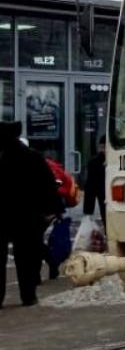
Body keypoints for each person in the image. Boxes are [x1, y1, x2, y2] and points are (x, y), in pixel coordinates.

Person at [0, 122, 62, 307]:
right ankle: (28, 295)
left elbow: (48, 185)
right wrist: (51, 209)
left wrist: (51, 208)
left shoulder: (7, 157)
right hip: (28, 217)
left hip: (7, 216)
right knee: (27, 257)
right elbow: (49, 185)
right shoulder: (33, 157)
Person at [83, 134, 108, 223]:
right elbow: (90, 187)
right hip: (104, 200)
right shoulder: (95, 163)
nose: (104, 150)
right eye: (103, 147)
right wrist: (88, 211)